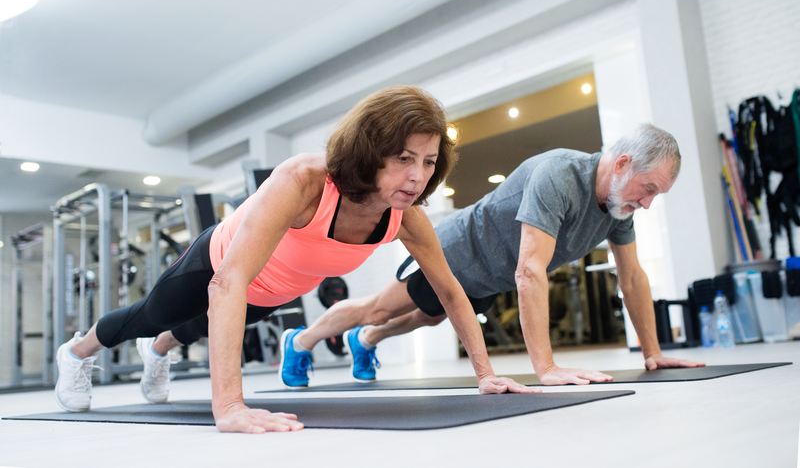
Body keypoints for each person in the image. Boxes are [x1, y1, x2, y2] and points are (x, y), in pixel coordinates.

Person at [54, 85, 533, 434]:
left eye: (428, 162)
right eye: (404, 158)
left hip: (276, 289)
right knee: (151, 316)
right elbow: (227, 282)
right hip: (219, 265)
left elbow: (450, 290)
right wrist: (230, 406)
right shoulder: (305, 181)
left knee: (194, 329)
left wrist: (486, 375)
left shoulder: (405, 216)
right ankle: (77, 353)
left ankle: (158, 351)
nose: (417, 176)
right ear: (371, 151)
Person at [283, 123, 704, 387]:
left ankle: (365, 341)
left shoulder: (618, 206)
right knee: (379, 308)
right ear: (622, 164)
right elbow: (530, 270)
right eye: (647, 189)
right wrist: (547, 368)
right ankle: (300, 341)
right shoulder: (559, 174)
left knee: (428, 317)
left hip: (490, 277)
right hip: (454, 251)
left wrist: (652, 351)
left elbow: (631, 277)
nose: (647, 203)